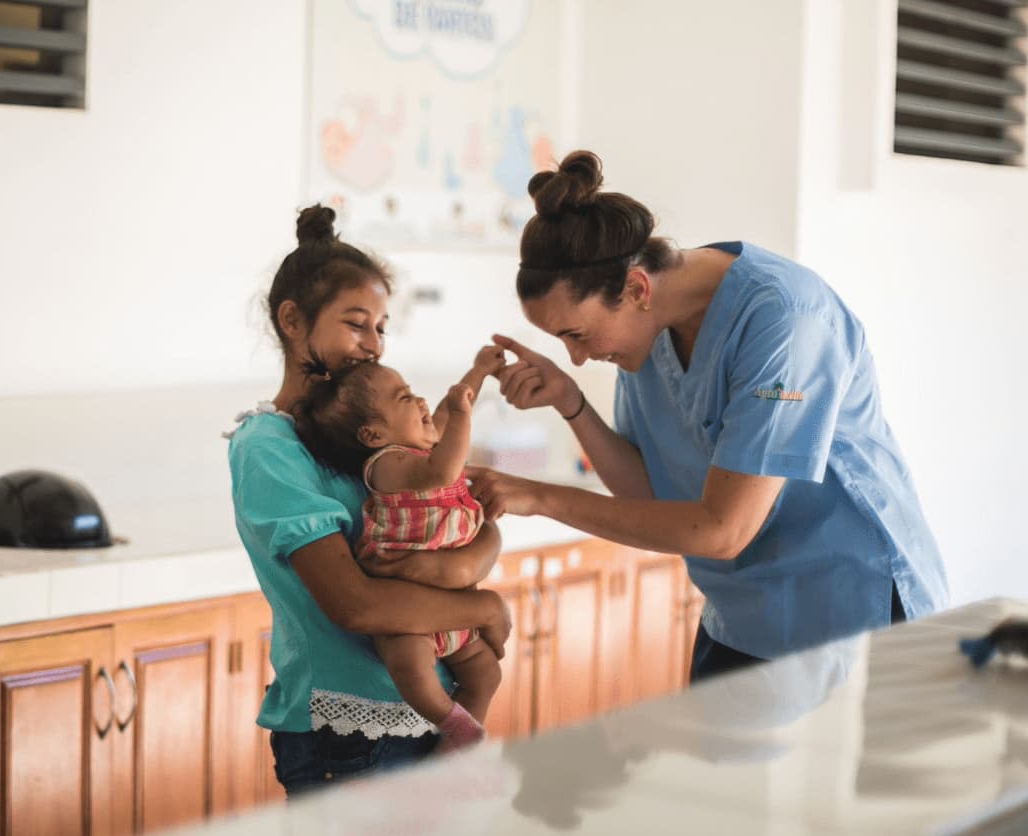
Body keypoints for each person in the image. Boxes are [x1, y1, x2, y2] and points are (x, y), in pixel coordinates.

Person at [466, 150, 949, 682]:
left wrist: (539, 496)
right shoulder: (647, 332)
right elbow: (646, 497)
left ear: (636, 289)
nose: (577, 356)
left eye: (576, 335)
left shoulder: (785, 319)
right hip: (741, 619)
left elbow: (724, 530)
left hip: (853, 618)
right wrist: (570, 402)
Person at [225, 205, 511, 796]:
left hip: (422, 714)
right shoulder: (268, 447)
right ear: (292, 320)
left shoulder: (376, 441)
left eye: (382, 327)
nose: (373, 345)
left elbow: (465, 532)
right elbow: (356, 607)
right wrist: (478, 609)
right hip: (347, 735)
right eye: (357, 324)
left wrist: (465, 567)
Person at [292, 346, 507, 751]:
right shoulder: (388, 464)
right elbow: (443, 468)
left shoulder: (423, 442)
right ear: (373, 435)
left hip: (452, 605)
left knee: (486, 673)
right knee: (411, 668)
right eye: (405, 398)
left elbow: (444, 411)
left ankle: (461, 740)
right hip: (410, 615)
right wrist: (462, 416)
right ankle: (450, 719)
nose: (422, 401)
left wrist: (477, 372)